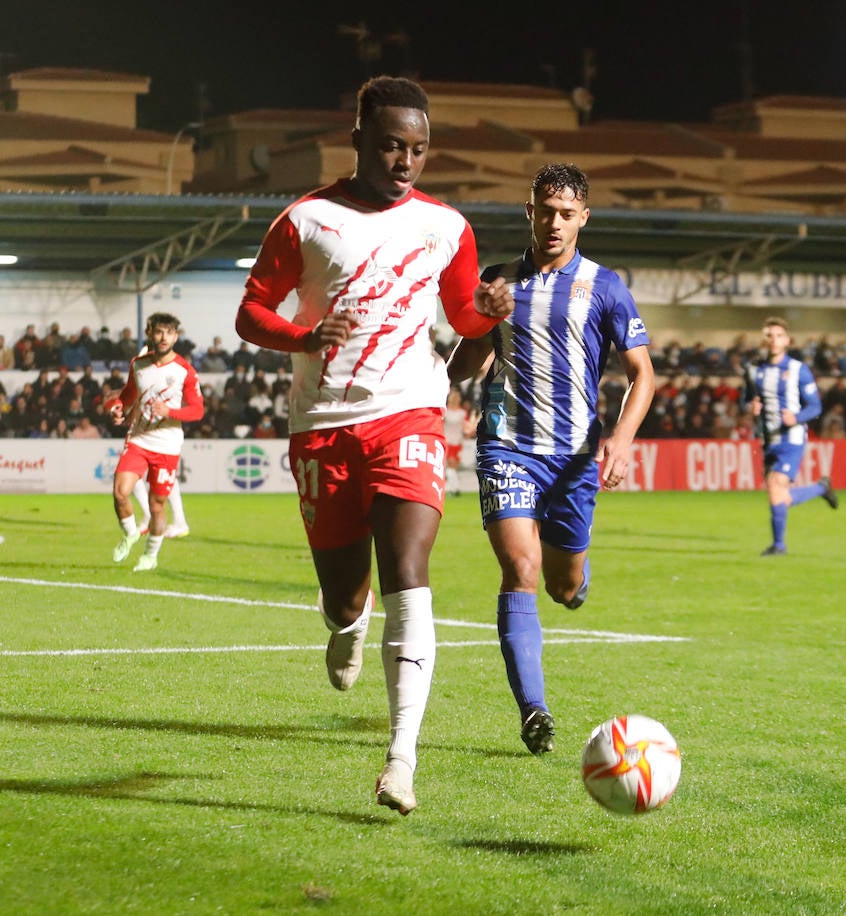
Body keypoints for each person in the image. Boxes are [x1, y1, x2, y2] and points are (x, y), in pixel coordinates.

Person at [234, 75, 513, 815]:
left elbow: (460, 315)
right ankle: (345, 625)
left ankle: (401, 759)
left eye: (419, 148)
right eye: (392, 144)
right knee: (344, 591)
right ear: (357, 137)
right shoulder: (306, 220)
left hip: (411, 414)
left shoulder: (446, 227)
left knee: (409, 571)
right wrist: (301, 334)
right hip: (323, 425)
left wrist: (486, 313)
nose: (405, 160)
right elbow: (250, 313)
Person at [447, 162, 655, 756]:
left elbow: (643, 375)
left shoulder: (605, 285)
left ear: (583, 218)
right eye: (545, 211)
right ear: (529, 212)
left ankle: (577, 580)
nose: (555, 223)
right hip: (506, 445)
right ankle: (534, 709)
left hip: (573, 460)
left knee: (564, 587)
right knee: (521, 570)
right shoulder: (500, 279)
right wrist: (481, 317)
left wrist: (621, 439)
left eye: (567, 213)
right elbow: (461, 367)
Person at [105, 313, 203, 572]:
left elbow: (198, 410)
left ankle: (150, 555)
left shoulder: (185, 371)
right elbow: (128, 394)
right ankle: (130, 534)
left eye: (169, 333)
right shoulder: (138, 364)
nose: (163, 338)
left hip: (167, 446)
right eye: (159, 332)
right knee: (120, 492)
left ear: (176, 336)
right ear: (150, 333)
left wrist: (170, 412)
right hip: (138, 439)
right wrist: (118, 408)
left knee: (156, 505)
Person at [744, 317, 837, 556]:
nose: (773, 341)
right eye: (769, 336)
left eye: (778, 336)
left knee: (776, 487)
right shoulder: (755, 369)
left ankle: (779, 546)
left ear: (787, 341)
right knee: (778, 495)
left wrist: (795, 418)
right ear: (763, 340)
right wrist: (751, 407)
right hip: (768, 439)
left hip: (792, 438)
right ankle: (820, 488)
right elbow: (747, 400)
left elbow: (815, 407)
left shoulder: (798, 370)